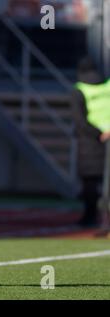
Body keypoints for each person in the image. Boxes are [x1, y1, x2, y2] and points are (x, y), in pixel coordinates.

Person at [72, 57, 110, 227]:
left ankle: (90, 218)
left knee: (90, 183)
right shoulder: (107, 84)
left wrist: (98, 133)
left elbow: (79, 121)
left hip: (90, 142)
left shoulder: (79, 90)